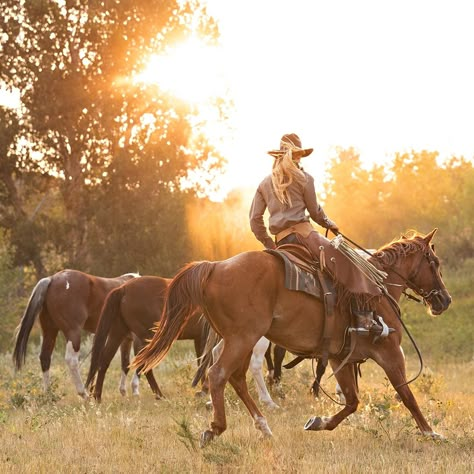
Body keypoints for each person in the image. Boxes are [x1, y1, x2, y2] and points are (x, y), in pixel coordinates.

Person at [249, 133, 383, 316]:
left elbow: (254, 220)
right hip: (305, 237)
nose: (299, 158)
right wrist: (330, 224)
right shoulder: (305, 178)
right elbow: (315, 212)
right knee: (347, 260)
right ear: (295, 155)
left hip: (281, 242)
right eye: (299, 154)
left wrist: (269, 244)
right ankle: (363, 316)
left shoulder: (264, 183)